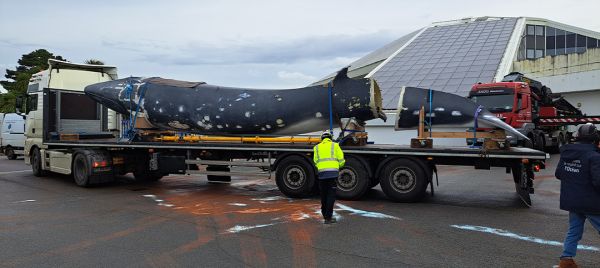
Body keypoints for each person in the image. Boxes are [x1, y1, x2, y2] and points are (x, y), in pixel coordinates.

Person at [555, 123, 600, 268]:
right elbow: (598, 181)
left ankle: (566, 260)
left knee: (574, 230)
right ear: (594, 139)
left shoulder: (566, 153)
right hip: (591, 203)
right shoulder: (594, 156)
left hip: (572, 201)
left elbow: (559, 174)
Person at [313, 131, 345, 224]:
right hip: (333, 174)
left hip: (322, 174)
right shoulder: (335, 145)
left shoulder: (316, 147)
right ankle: (328, 217)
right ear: (330, 138)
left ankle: (324, 215)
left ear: (321, 138)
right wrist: (339, 165)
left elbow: (315, 161)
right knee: (331, 195)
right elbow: (341, 160)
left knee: (323, 194)